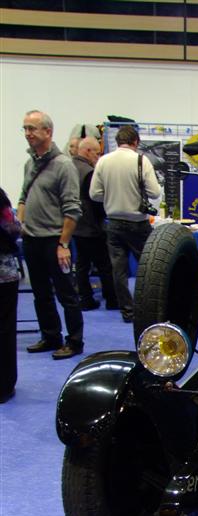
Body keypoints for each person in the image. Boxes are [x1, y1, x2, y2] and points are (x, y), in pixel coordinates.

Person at [18, 110, 84, 360]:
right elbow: (23, 197)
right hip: (31, 240)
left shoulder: (63, 165)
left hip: (55, 241)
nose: (28, 134)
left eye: (32, 128)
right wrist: (21, 224)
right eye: (25, 128)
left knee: (67, 294)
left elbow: (72, 209)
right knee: (41, 294)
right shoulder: (29, 164)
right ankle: (50, 336)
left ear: (48, 132)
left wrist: (63, 244)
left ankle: (74, 341)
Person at [89, 124, 161, 323]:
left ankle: (127, 311)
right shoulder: (141, 160)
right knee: (147, 268)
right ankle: (149, 308)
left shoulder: (103, 161)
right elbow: (155, 192)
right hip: (138, 222)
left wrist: (111, 196)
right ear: (135, 142)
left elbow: (94, 194)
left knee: (118, 270)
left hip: (113, 222)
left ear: (117, 141)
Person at [72, 137, 118, 311]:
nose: (98, 157)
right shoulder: (89, 172)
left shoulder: (68, 167)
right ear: (87, 151)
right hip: (91, 226)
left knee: (82, 265)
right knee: (105, 265)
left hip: (75, 225)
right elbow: (96, 201)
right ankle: (112, 299)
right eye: (97, 153)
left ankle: (85, 299)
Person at [0, 188, 21, 402]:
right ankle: (4, 386)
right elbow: (14, 228)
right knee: (5, 329)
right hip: (4, 275)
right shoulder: (1, 200)